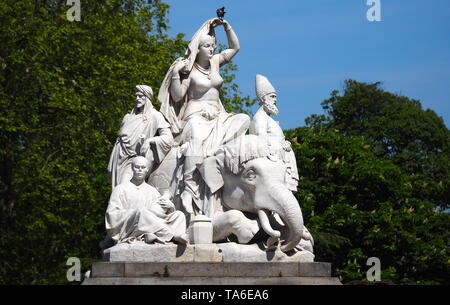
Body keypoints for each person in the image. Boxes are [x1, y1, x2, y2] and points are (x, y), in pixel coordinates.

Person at [157, 18, 250, 217]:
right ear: (197, 49)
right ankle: (189, 189)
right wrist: (175, 74)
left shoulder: (216, 62)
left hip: (219, 115)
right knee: (197, 140)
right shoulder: (188, 70)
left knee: (244, 119)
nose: (211, 49)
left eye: (212, 46)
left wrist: (227, 27)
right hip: (196, 116)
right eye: (206, 46)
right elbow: (177, 96)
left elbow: (235, 47)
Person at [102, 156, 188, 248]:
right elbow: (111, 215)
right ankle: (171, 235)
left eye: (143, 167)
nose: (140, 170)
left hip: (152, 222)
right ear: (132, 168)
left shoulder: (152, 191)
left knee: (179, 215)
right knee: (141, 212)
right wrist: (133, 213)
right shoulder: (120, 189)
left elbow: (160, 212)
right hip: (131, 226)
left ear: (147, 170)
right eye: (137, 167)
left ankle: (157, 236)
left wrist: (170, 207)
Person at [108, 85, 173, 189]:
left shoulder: (155, 116)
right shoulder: (128, 117)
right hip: (119, 157)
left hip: (134, 159)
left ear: (147, 98)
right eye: (136, 96)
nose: (137, 99)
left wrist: (150, 140)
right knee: (118, 191)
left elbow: (168, 138)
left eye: (140, 96)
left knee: (125, 187)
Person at [250, 74, 299, 191]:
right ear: (263, 99)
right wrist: (280, 145)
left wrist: (285, 144)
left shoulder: (269, 118)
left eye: (275, 97)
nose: (275, 100)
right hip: (273, 163)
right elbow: (260, 142)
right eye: (272, 97)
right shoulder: (259, 118)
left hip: (282, 160)